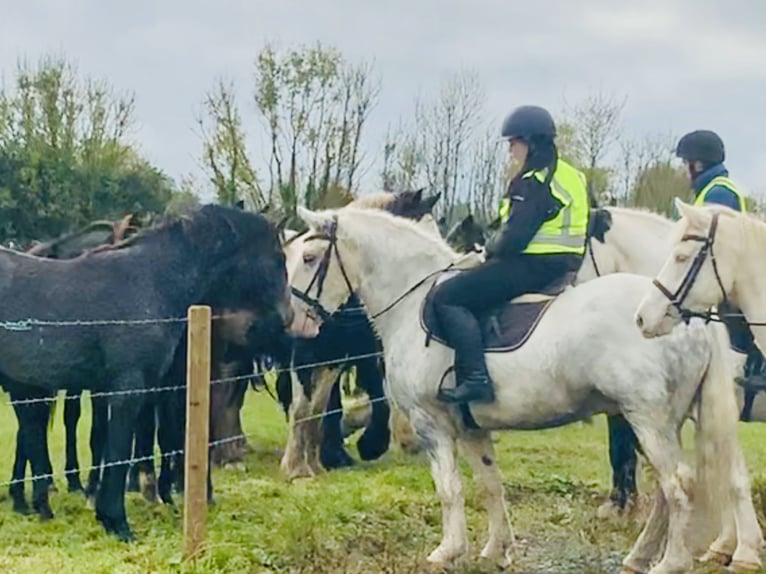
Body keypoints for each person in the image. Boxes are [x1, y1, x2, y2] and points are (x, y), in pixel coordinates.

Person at [432, 105, 590, 404]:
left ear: (530, 141)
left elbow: (514, 239)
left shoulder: (533, 180)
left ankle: (476, 378)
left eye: (513, 142)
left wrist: (486, 250)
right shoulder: (571, 175)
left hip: (532, 264)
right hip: (568, 261)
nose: (510, 150)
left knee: (448, 297)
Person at [674, 129, 746, 211]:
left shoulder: (719, 195)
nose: (684, 169)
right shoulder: (711, 191)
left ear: (698, 165)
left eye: (685, 162)